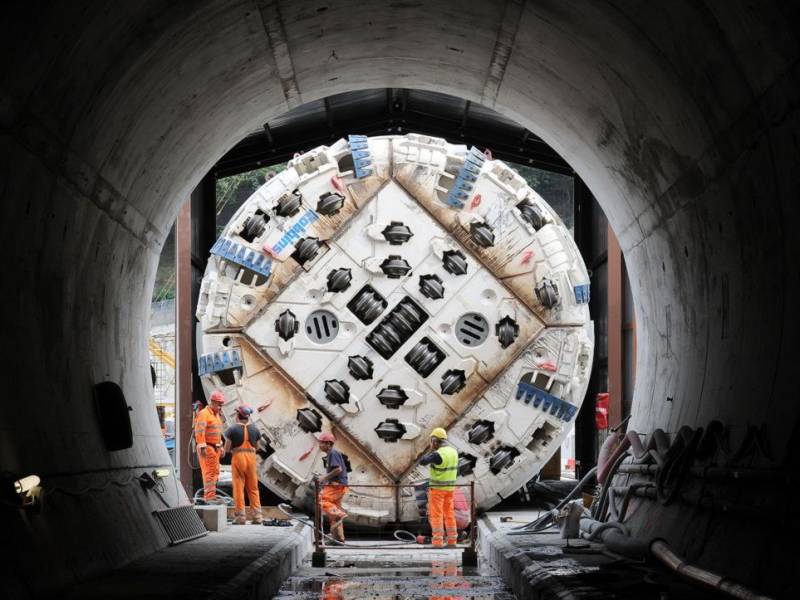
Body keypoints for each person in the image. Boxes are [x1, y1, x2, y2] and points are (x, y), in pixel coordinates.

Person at [419, 427, 459, 547]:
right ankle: (452, 541)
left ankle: (437, 542)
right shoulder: (454, 452)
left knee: (436, 514)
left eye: (432, 441)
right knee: (449, 514)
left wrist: (430, 449)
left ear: (436, 441)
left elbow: (423, 461)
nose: (431, 443)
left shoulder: (438, 454)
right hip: (450, 489)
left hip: (437, 490)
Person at [224, 404, 263, 524]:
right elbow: (258, 447)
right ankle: (257, 517)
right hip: (251, 459)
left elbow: (226, 448)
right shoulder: (255, 429)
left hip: (238, 458)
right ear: (248, 416)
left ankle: (240, 517)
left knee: (239, 487)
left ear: (238, 415)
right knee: (253, 488)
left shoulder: (232, 429)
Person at [315, 432, 349, 544]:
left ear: (329, 444)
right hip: (340, 485)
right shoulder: (332, 453)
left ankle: (340, 514)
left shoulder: (332, 453)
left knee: (321, 499)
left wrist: (324, 478)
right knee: (334, 512)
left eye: (321, 443)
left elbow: (338, 469)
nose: (320, 445)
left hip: (336, 485)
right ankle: (339, 538)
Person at [194, 390, 226, 503]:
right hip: (207, 447)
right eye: (219, 404)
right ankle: (209, 497)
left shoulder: (216, 415)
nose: (220, 407)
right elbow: (199, 431)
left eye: (221, 405)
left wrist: (221, 446)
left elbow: (218, 433)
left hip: (214, 447)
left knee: (215, 472)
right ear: (212, 402)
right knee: (209, 473)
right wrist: (202, 446)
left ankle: (211, 495)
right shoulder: (204, 413)